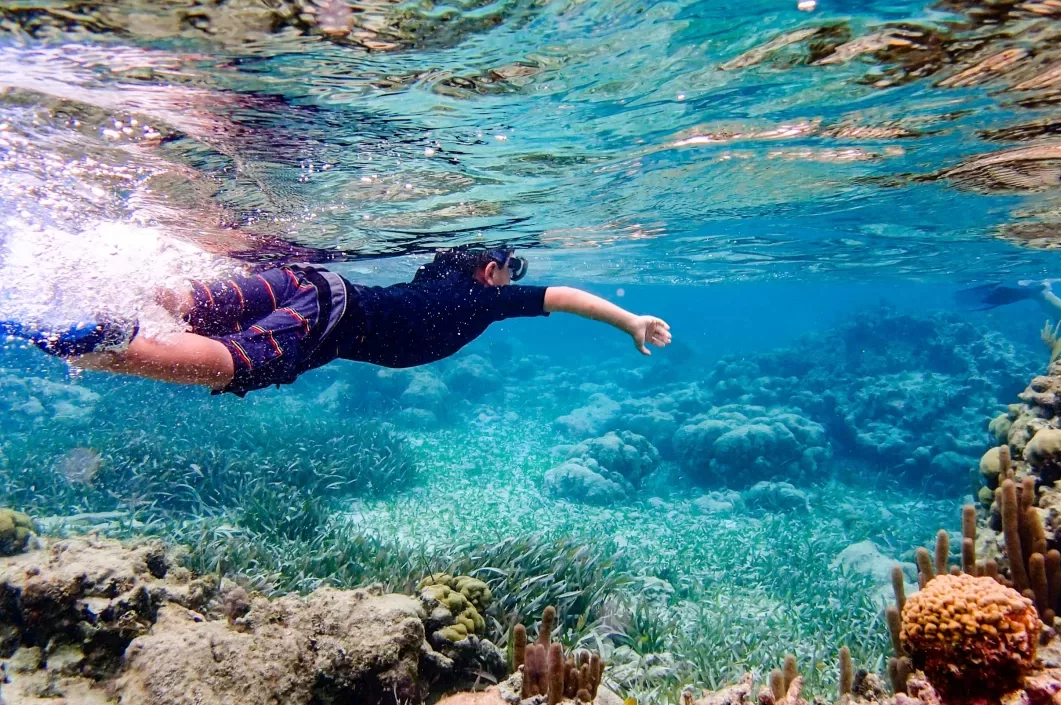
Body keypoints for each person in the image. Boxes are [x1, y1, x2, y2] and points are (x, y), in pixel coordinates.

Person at [5, 246, 672, 396]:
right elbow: (567, 296)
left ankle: (106, 290)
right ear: (489, 271)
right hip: (333, 312)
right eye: (508, 267)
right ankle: (114, 347)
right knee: (240, 363)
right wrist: (630, 321)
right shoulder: (484, 298)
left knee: (199, 305)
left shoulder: (427, 284)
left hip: (313, 285)